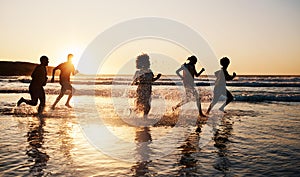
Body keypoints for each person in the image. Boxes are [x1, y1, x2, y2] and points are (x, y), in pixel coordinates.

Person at [132, 53, 161, 118]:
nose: (149, 63)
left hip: (148, 89)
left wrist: (157, 77)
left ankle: (144, 117)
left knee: (147, 105)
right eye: (148, 61)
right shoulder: (139, 72)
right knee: (141, 104)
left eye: (149, 61)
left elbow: (152, 80)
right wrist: (138, 81)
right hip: (141, 89)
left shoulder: (150, 71)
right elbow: (134, 81)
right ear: (143, 63)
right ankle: (136, 116)